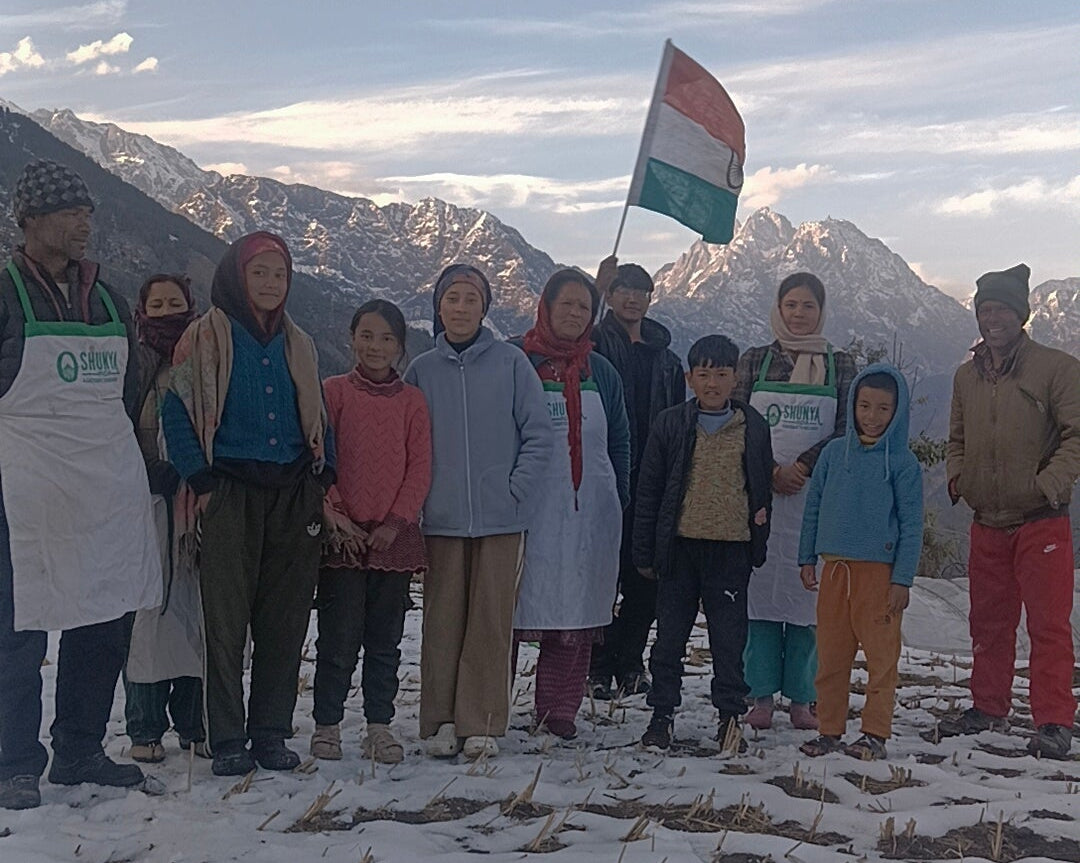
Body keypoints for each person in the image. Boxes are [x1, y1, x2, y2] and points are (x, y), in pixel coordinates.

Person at [0, 160, 161, 810]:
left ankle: (80, 749)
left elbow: (128, 391)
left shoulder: (107, 298)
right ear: (30, 221)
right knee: (19, 629)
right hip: (23, 494)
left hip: (102, 489)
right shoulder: (7, 292)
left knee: (102, 617)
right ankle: (14, 761)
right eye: (71, 212)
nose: (84, 224)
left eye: (88, 212)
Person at [161, 231, 334, 776]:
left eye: (279, 274)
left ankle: (271, 733)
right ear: (237, 276)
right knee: (226, 622)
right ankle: (227, 737)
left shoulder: (297, 342)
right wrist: (203, 483)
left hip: (291, 492)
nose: (269, 283)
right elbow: (176, 410)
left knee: (284, 623)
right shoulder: (204, 337)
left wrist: (320, 480)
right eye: (258, 272)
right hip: (229, 491)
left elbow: (316, 414)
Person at [405, 264, 553, 760]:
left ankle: (482, 720)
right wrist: (419, 496)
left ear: (485, 307)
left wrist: (516, 489)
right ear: (439, 307)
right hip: (441, 517)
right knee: (442, 619)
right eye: (452, 299)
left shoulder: (511, 363)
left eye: (471, 299)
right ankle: (442, 719)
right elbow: (408, 440)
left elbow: (538, 433)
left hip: (501, 518)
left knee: (491, 619)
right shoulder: (422, 370)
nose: (461, 308)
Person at [943, 263, 1080, 759]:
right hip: (987, 518)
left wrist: (1050, 484)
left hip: (1041, 517)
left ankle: (1053, 721)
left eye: (1001, 307)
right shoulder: (965, 376)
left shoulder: (1057, 368)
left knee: (1048, 625)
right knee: (988, 622)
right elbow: (956, 437)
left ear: (1020, 314)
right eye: (985, 308)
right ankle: (989, 706)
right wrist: (958, 476)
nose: (992, 316)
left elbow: (1076, 435)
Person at [634, 335, 773, 751]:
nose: (713, 383)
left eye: (722, 374)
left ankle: (730, 718)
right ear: (689, 378)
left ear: (736, 379)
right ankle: (661, 716)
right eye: (704, 374)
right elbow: (650, 489)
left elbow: (761, 488)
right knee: (669, 639)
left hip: (731, 548)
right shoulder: (671, 422)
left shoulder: (753, 425)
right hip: (679, 548)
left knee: (729, 641)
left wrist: (757, 541)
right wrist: (644, 551)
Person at [510, 270, 630, 740]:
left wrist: (617, 492)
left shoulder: (603, 373)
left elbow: (620, 438)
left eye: (584, 307)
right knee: (508, 607)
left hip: (589, 511)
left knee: (575, 611)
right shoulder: (518, 363)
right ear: (546, 306)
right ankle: (488, 705)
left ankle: (558, 710)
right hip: (526, 507)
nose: (575, 314)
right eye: (567, 304)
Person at [733, 272, 856, 731]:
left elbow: (848, 429)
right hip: (760, 498)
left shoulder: (840, 364)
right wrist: (768, 471)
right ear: (778, 309)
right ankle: (759, 695)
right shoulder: (755, 360)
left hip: (815, 500)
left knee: (810, 603)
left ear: (821, 311)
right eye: (791, 305)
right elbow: (738, 422)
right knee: (760, 600)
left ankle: (805, 699)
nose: (799, 314)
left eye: (808, 306)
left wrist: (803, 466)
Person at [309, 299, 430, 764]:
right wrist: (336, 513)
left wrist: (396, 522)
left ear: (400, 347)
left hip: (391, 539)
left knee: (385, 641)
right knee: (337, 640)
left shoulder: (412, 402)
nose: (375, 347)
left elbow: (420, 466)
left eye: (386, 339)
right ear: (351, 338)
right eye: (366, 336)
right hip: (343, 538)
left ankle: (379, 724)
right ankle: (327, 724)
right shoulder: (333, 391)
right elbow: (321, 457)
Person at [797, 365, 923, 761]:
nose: (871, 416)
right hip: (834, 571)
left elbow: (912, 524)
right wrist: (806, 557)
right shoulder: (834, 454)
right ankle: (829, 730)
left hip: (880, 577)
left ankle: (874, 734)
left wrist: (902, 578)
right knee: (831, 657)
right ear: (852, 406)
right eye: (864, 405)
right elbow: (813, 506)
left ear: (897, 412)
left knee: (881, 660)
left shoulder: (903, 464)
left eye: (883, 409)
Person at [589, 256, 686, 701]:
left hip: (654, 481)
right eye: (623, 289)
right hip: (604, 476)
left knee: (645, 579)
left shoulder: (667, 360)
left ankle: (629, 662)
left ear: (651, 298)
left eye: (641, 290)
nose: (632, 297)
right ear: (609, 297)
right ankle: (594, 665)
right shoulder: (593, 346)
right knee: (600, 577)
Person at [124, 274, 205, 763]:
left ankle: (196, 723)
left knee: (199, 611)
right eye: (158, 304)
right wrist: (150, 469)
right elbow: (116, 422)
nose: (167, 311)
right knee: (149, 614)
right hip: (148, 500)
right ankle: (145, 725)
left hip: (203, 501)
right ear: (143, 310)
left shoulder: (206, 360)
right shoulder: (132, 364)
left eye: (176, 302)